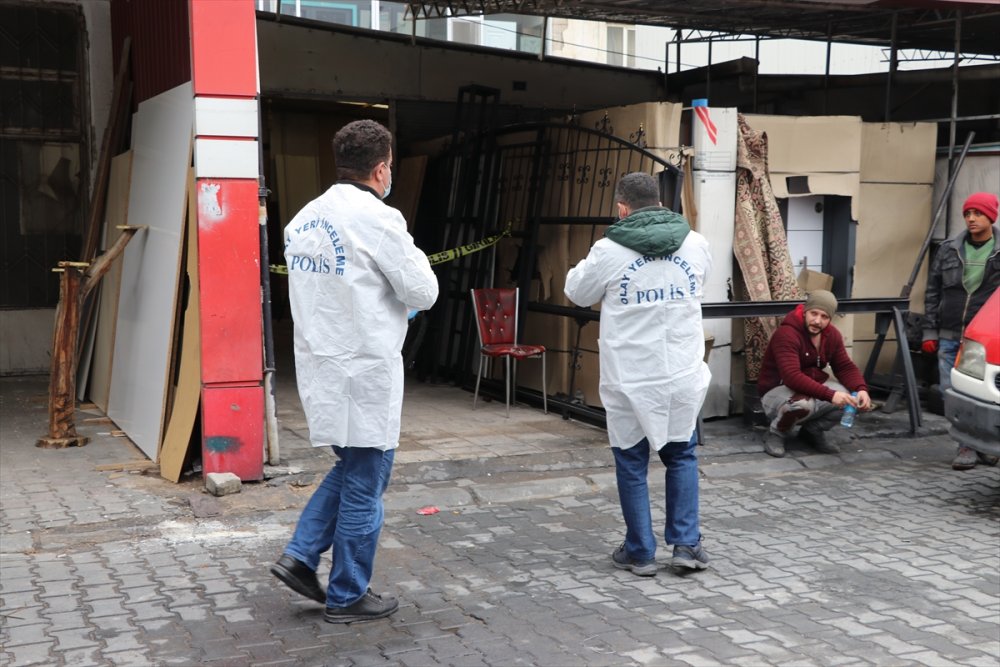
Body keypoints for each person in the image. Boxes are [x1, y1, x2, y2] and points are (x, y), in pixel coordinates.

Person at [270, 120, 438, 623]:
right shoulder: (379, 220)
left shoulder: (304, 219)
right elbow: (423, 291)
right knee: (367, 480)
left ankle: (300, 556)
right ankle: (347, 594)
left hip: (322, 366)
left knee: (351, 466)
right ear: (382, 168)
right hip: (365, 370)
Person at [564, 172, 712, 576]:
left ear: (622, 209)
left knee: (632, 460)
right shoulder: (695, 243)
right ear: (661, 204)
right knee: (681, 454)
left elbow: (577, 292)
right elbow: (702, 283)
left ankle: (640, 551)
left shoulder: (608, 249)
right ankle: (686, 544)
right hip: (680, 369)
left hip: (630, 374)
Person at [922, 191, 1000, 470]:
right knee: (951, 392)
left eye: (977, 213)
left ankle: (982, 444)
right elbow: (932, 292)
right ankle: (967, 445)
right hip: (950, 333)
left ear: (991, 217)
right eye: (967, 214)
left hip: (983, 341)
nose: (971, 219)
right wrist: (929, 331)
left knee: (983, 394)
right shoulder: (948, 249)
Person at [757, 290, 871, 458]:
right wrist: (830, 395)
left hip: (811, 388)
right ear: (805, 311)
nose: (817, 321)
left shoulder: (832, 335)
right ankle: (776, 434)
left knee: (852, 400)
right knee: (801, 405)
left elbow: (845, 367)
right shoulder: (786, 334)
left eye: (824, 317)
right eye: (814, 313)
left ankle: (812, 431)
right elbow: (791, 376)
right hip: (777, 391)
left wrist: (861, 389)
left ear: (830, 319)